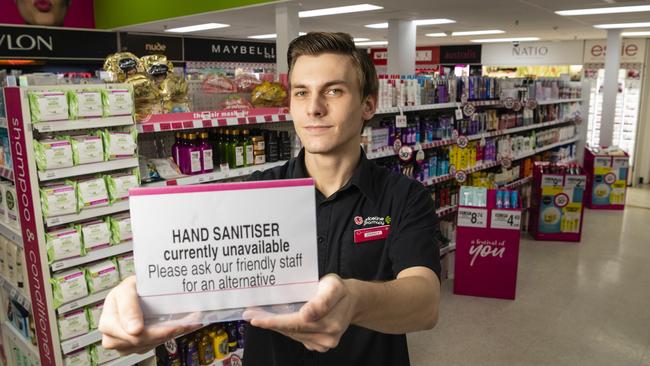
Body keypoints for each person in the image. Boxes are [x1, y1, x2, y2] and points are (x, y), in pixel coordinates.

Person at [99, 32, 441, 365]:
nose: (315, 108)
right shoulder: (256, 193)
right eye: (301, 93)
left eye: (333, 91)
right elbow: (198, 265)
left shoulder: (405, 196)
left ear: (368, 104)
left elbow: (425, 301)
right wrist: (141, 298)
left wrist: (355, 300)